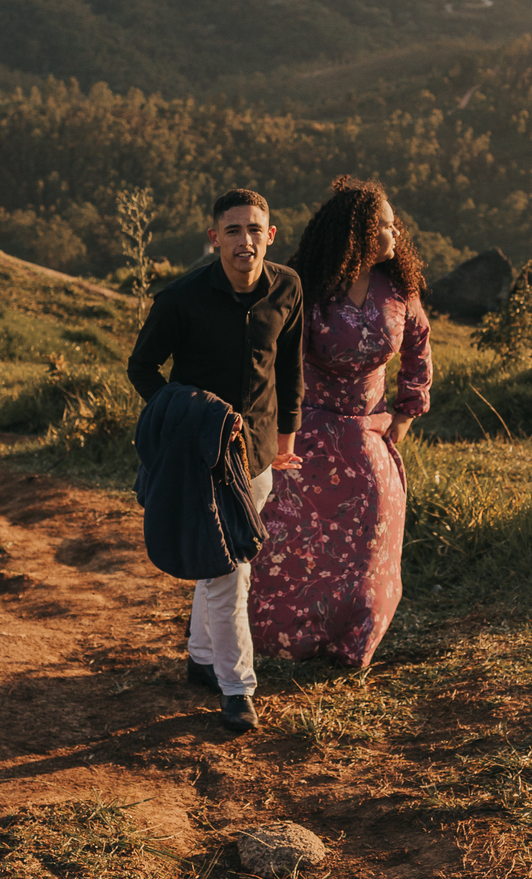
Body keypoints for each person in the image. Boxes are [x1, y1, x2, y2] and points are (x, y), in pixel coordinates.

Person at [128, 188, 303, 733]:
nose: (244, 240)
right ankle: (237, 687)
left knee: (221, 563)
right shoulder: (181, 299)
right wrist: (181, 416)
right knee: (231, 571)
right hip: (202, 458)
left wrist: (286, 440)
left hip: (258, 457)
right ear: (215, 238)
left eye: (255, 229)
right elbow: (142, 368)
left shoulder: (289, 288)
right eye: (233, 230)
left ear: (270, 236)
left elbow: (291, 369)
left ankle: (201, 658)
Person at [248, 175, 432, 670]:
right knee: (288, 538)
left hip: (369, 432)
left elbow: (418, 346)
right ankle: (276, 642)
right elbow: (273, 359)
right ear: (360, 234)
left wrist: (407, 411)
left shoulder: (397, 289)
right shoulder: (307, 287)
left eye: (394, 226)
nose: (396, 234)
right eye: (387, 226)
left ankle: (351, 646)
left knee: (369, 540)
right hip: (305, 433)